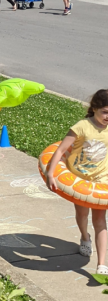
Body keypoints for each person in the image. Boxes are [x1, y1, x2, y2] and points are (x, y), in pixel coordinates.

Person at [46, 89, 108, 275]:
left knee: (100, 220)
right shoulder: (82, 126)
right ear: (95, 108)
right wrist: (51, 173)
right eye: (105, 111)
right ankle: (84, 237)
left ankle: (102, 265)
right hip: (79, 179)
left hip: (101, 179)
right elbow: (60, 150)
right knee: (82, 215)